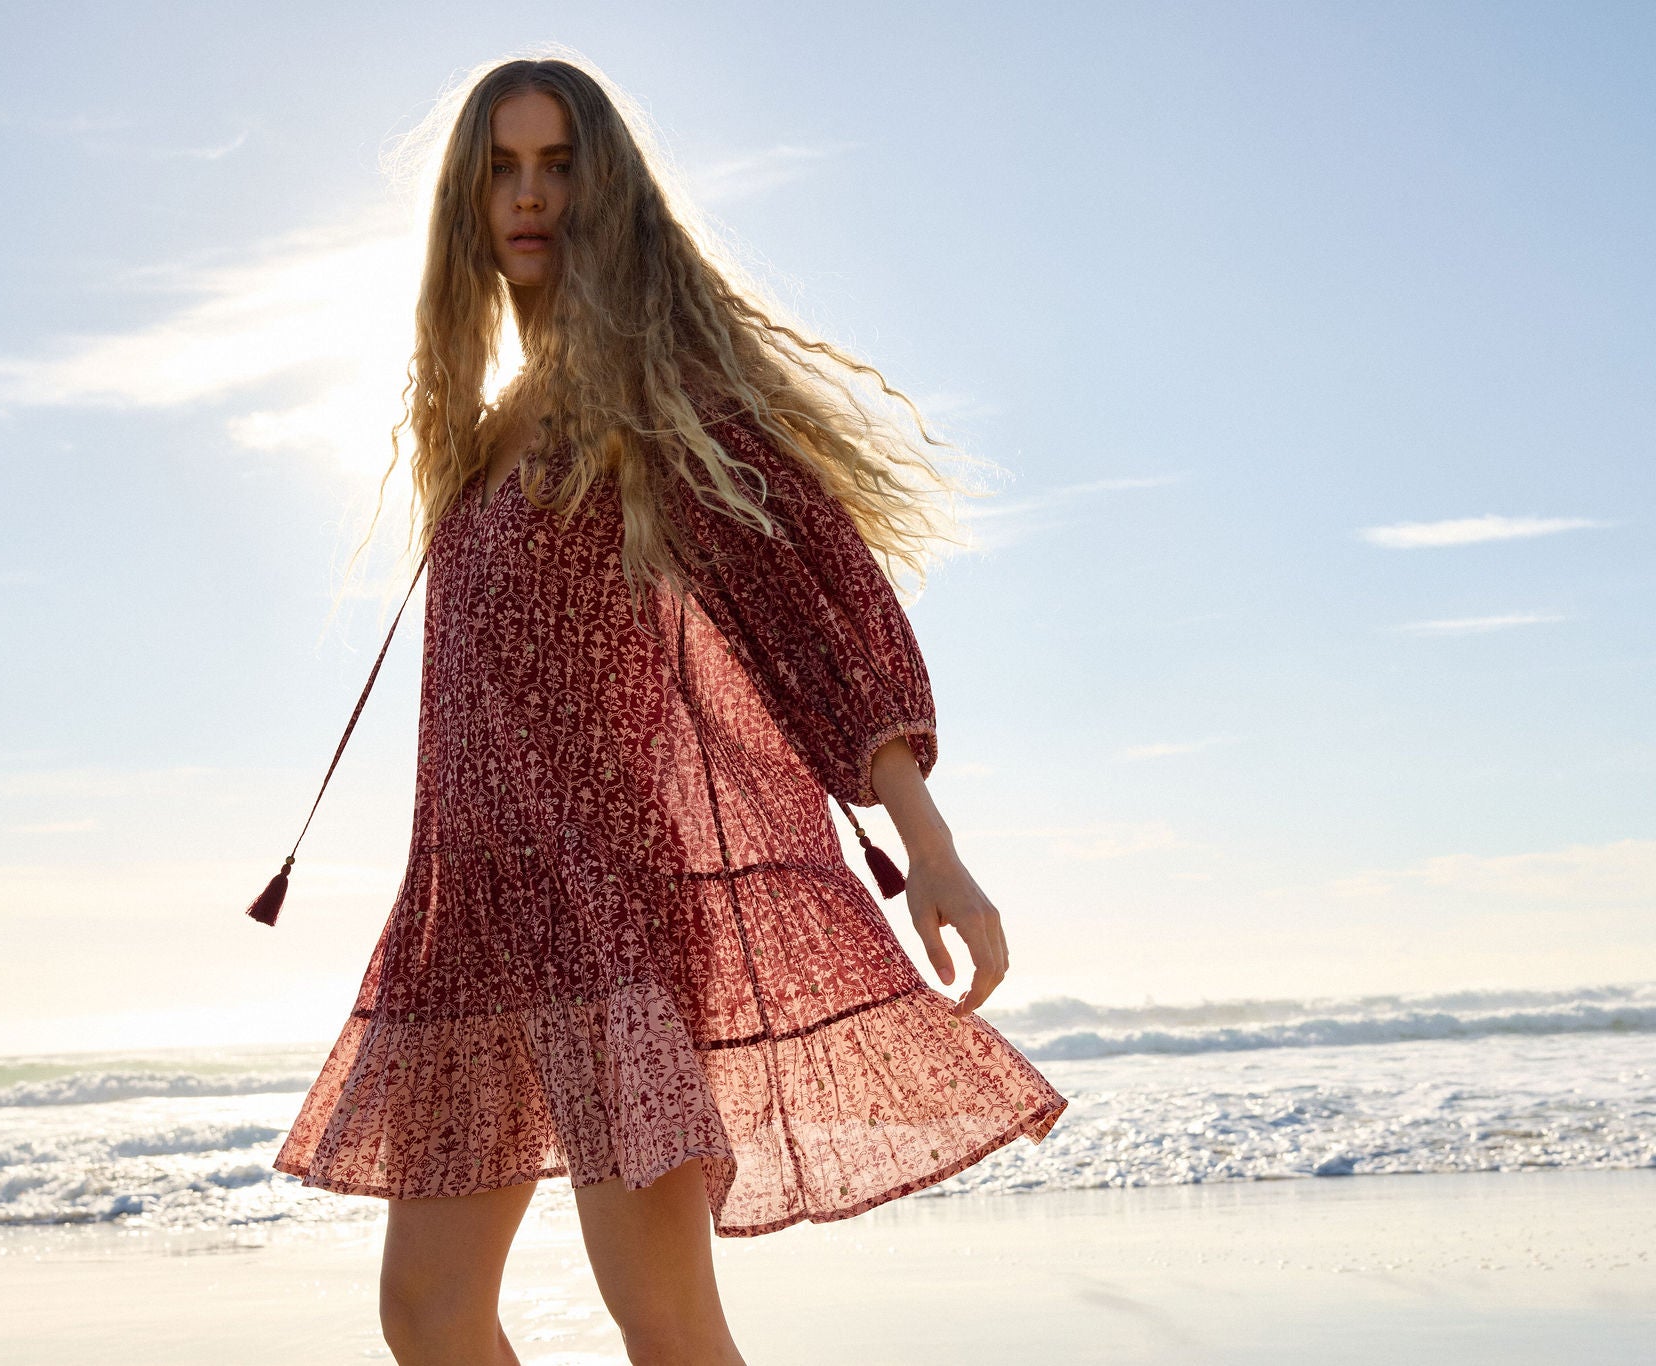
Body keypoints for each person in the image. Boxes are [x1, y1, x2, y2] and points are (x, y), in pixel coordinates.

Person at [268, 50, 1069, 1366]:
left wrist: (928, 844)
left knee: (667, 1323)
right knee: (428, 1314)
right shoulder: (480, 427)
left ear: (608, 193)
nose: (530, 197)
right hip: (469, 905)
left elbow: (810, 605)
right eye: (501, 171)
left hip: (604, 902)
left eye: (557, 167)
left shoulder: (654, 398)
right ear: (467, 203)